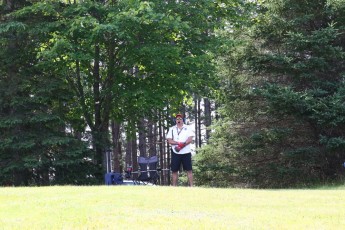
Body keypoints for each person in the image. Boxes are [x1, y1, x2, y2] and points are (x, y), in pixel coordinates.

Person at [166, 114, 194, 186]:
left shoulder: (188, 128)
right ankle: (174, 187)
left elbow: (190, 139)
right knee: (174, 170)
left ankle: (192, 186)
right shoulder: (172, 129)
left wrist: (183, 145)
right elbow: (169, 140)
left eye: (180, 119)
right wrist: (178, 143)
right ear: (175, 120)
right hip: (175, 152)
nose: (179, 120)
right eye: (177, 119)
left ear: (183, 120)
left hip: (186, 152)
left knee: (189, 170)